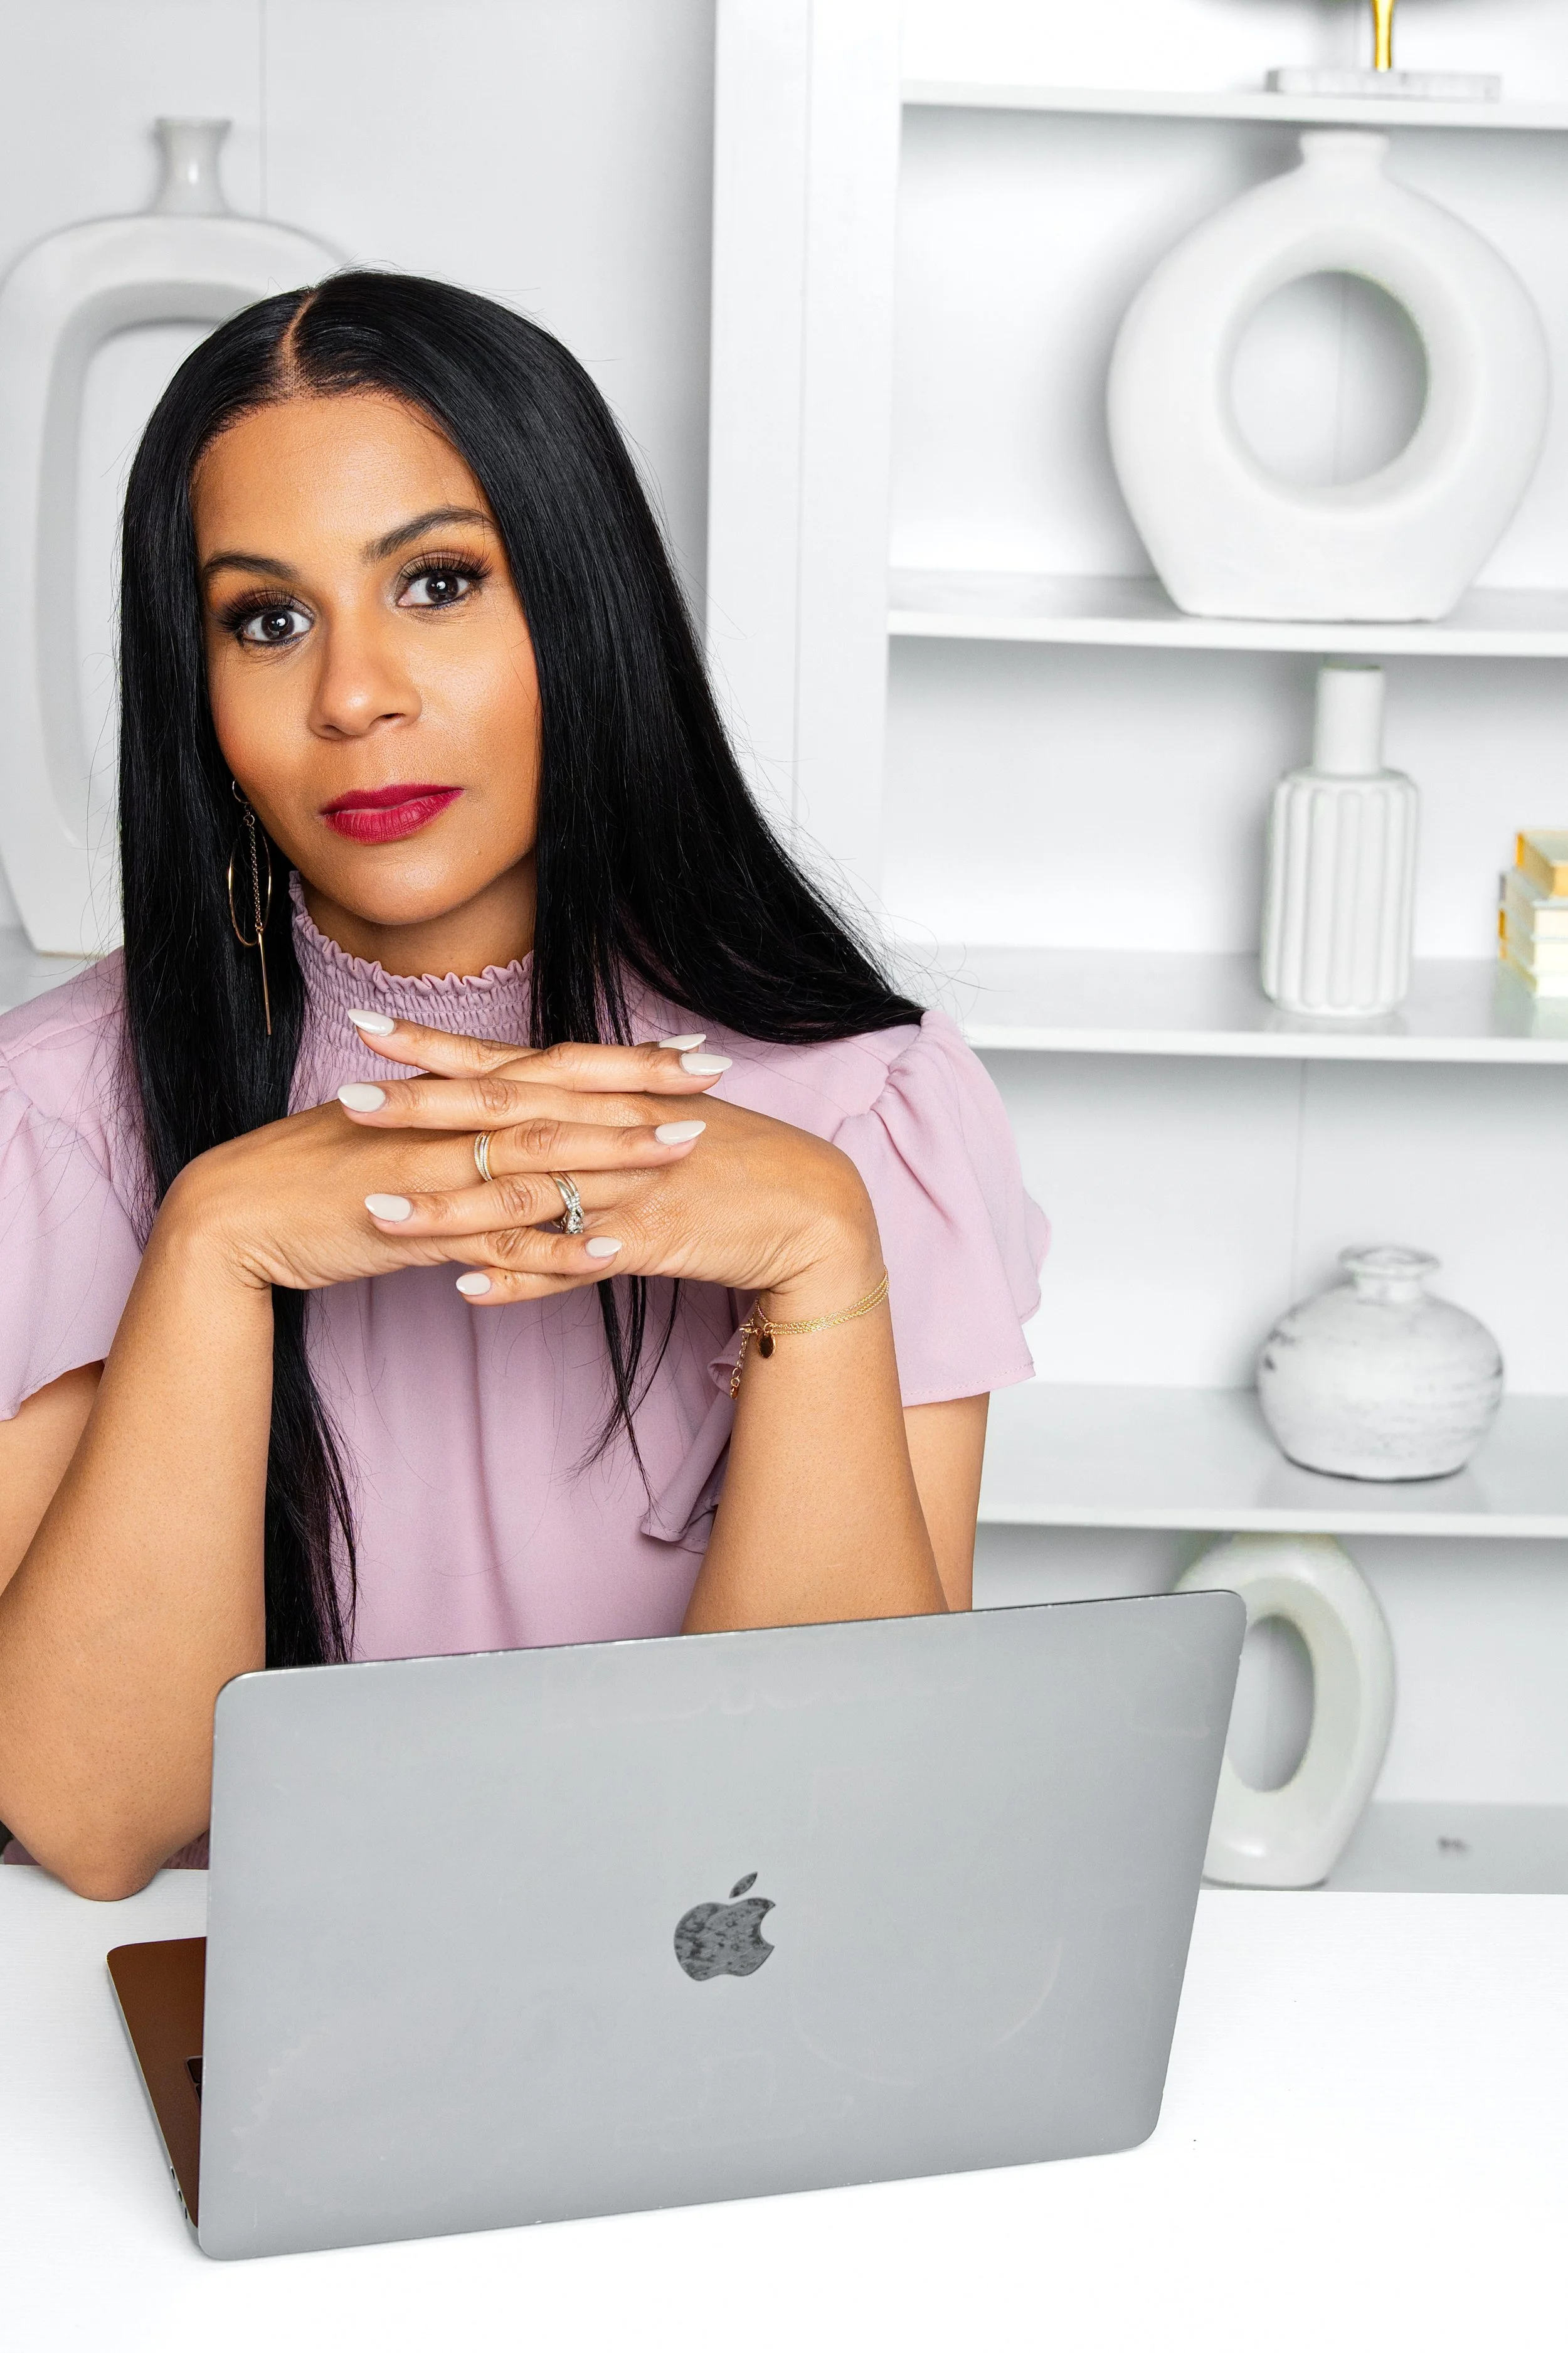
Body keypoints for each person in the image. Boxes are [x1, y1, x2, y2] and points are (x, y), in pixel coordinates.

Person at [0, 274, 1046, 1900]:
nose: (354, 695)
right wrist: (211, 1244)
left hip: (677, 1997)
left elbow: (824, 1814)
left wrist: (817, 1249)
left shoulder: (865, 1106)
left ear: (581, 603)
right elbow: (92, 1823)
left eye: (437, 583)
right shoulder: (53, 1114)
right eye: (267, 620)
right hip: (234, 2001)